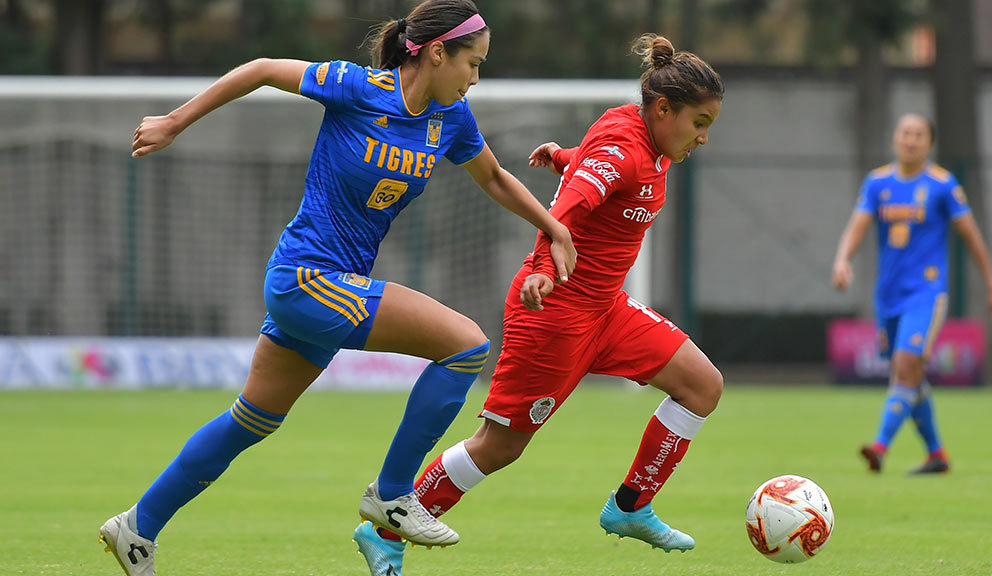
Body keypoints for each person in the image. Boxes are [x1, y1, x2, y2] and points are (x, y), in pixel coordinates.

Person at [98, 1, 578, 574]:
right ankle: (394, 493)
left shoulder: (451, 119)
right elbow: (258, 69)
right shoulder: (357, 87)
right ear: (435, 52)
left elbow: (495, 177)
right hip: (308, 277)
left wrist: (552, 227)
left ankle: (137, 527)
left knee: (250, 422)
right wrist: (175, 121)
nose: (476, 78)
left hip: (328, 287)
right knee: (467, 345)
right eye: (472, 63)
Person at [352, 34, 724, 576]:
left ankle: (630, 506)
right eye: (700, 123)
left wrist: (565, 156)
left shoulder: (646, 137)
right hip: (553, 314)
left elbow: (594, 173)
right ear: (664, 109)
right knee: (500, 446)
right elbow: (566, 216)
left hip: (607, 311)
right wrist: (546, 270)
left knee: (702, 386)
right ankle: (384, 531)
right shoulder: (624, 151)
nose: (704, 138)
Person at [831, 113, 992, 475]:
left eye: (919, 134)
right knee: (910, 374)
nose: (911, 140)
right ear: (896, 138)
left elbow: (972, 237)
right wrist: (842, 260)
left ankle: (880, 445)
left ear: (929, 143)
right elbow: (858, 225)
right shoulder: (878, 183)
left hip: (927, 292)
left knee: (907, 363)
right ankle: (937, 455)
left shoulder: (942, 185)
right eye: (905, 133)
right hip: (889, 294)